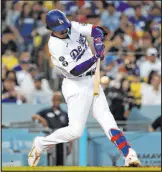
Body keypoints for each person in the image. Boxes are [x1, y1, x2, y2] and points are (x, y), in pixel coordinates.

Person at [28, 9, 141, 167]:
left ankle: (129, 155)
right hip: (75, 84)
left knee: (109, 122)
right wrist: (95, 57)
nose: (65, 31)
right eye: (60, 30)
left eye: (65, 27)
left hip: (93, 80)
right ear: (52, 29)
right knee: (75, 131)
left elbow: (97, 30)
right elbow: (75, 70)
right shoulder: (54, 45)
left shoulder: (71, 26)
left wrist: (98, 41)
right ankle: (41, 144)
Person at [32, 92, 72, 165]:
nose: (56, 101)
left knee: (61, 161)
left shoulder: (64, 114)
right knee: (50, 160)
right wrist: (42, 119)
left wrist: (70, 145)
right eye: (55, 100)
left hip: (61, 142)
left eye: (58, 100)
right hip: (50, 140)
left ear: (60, 101)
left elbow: (69, 129)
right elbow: (34, 116)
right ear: (52, 100)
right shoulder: (46, 111)